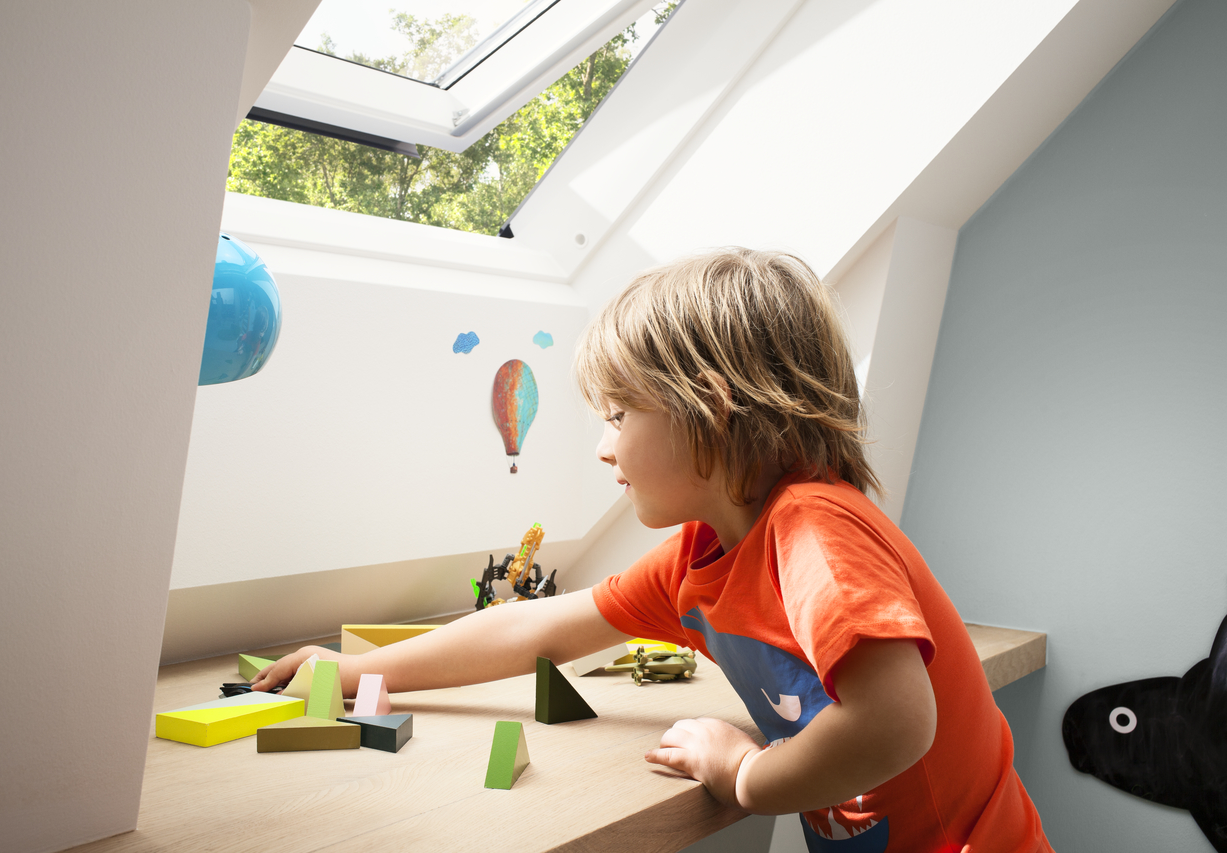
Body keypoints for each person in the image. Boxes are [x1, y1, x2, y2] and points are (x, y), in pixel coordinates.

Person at [253, 248, 1052, 852]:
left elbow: (896, 725)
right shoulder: (701, 557)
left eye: (617, 414)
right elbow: (535, 630)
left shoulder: (814, 529)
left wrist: (742, 773)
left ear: (708, 407)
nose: (603, 449)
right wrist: (352, 670)